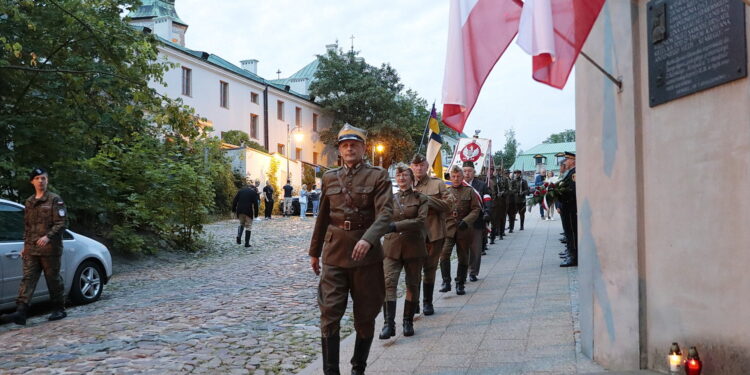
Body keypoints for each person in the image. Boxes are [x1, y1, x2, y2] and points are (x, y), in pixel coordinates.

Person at [308, 124, 393, 375]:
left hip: (366, 258)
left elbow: (386, 214)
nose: (349, 148)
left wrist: (368, 239)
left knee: (366, 316)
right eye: (344, 145)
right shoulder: (329, 177)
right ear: (339, 150)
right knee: (329, 314)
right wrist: (314, 251)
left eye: (354, 144)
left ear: (363, 148)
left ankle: (358, 368)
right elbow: (322, 216)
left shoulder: (378, 176)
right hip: (334, 254)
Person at [1, 168, 68, 325]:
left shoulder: (54, 200)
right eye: (37, 178)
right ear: (32, 181)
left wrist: (48, 236)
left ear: (47, 181)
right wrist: (25, 246)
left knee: (53, 279)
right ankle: (21, 312)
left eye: (43, 178)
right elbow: (27, 226)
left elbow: (62, 223)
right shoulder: (29, 202)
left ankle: (59, 308)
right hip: (32, 248)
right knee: (28, 279)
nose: (40, 181)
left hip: (50, 249)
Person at [379, 164, 428, 339]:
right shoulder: (390, 199)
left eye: (405, 175)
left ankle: (407, 321)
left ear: (411, 178)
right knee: (388, 283)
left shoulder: (420, 198)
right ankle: (388, 324)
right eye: (399, 176)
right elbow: (382, 218)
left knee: (412, 284)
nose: (401, 178)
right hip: (392, 248)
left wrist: (396, 225)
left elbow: (420, 221)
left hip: (413, 247)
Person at [410, 153, 453, 316]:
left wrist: (426, 199)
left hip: (433, 233)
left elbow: (449, 205)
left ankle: (427, 302)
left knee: (429, 269)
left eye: (421, 165)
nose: (418, 168)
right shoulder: (407, 184)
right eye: (415, 165)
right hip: (412, 235)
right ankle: (413, 302)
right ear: (411, 167)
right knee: (413, 270)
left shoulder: (438, 184)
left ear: (427, 167)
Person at [439, 165, 481, 296]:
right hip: (449, 228)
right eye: (453, 176)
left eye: (458, 176)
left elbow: (476, 209)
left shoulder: (469, 191)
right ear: (450, 177)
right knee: (444, 255)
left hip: (464, 228)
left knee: (463, 257)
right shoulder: (446, 192)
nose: (456, 179)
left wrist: (467, 221)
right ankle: (446, 282)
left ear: (463, 177)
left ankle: (460, 283)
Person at [463, 161, 490, 282]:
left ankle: (473, 272)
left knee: (475, 249)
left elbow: (487, 199)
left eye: (469, 171)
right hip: (462, 222)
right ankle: (462, 271)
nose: (467, 173)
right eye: (464, 171)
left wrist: (488, 211)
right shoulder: (459, 185)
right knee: (463, 249)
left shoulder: (481, 185)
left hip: (477, 220)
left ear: (474, 172)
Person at [559, 152, 578, 267]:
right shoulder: (570, 173)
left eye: (567, 159)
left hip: (571, 208)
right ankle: (571, 253)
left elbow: (573, 191)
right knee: (569, 232)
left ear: (573, 161)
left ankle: (574, 257)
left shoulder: (574, 174)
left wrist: (561, 194)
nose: (565, 162)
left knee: (572, 233)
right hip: (567, 207)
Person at [231, 181, 259, 248]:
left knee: (241, 224)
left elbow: (235, 200)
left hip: (240, 211)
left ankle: (239, 236)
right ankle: (247, 243)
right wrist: (256, 214)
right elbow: (256, 204)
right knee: (248, 226)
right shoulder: (253, 193)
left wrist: (233, 210)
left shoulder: (240, 191)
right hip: (248, 211)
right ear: (252, 188)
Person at [489, 166, 510, 243]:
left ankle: (499, 233)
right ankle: (490, 238)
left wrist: (502, 193)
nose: (496, 171)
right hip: (489, 202)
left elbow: (508, 190)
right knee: (491, 221)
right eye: (496, 170)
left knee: (500, 219)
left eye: (498, 170)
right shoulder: (486, 180)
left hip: (499, 202)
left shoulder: (502, 179)